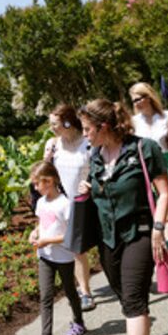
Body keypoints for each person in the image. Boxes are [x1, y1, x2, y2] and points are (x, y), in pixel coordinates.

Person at [78, 99, 168, 335]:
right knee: (122, 292)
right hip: (108, 238)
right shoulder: (94, 155)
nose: (85, 135)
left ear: (104, 127)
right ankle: (142, 334)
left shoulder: (143, 149)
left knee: (132, 298)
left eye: (88, 129)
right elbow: (99, 188)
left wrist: (159, 228)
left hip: (140, 233)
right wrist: (88, 189)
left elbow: (164, 192)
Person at [28, 161, 86, 335]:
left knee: (70, 291)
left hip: (63, 257)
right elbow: (41, 224)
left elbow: (71, 234)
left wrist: (48, 241)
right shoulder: (41, 202)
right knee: (45, 296)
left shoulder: (64, 204)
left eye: (38, 184)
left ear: (50, 181)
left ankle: (78, 322)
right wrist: (35, 234)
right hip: (44, 256)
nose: (35, 188)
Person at [45, 104, 96, 311]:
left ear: (67, 122)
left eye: (55, 124)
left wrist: (91, 184)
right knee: (76, 249)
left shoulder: (87, 143)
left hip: (88, 201)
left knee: (99, 245)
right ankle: (85, 292)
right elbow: (46, 174)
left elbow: (98, 168)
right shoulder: (54, 144)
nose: (51, 128)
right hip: (66, 204)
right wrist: (47, 158)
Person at [129, 82, 168, 263]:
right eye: (133, 100)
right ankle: (160, 253)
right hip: (146, 170)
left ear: (149, 97)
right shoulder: (134, 122)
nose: (136, 103)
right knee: (155, 216)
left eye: (139, 98)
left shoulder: (167, 116)